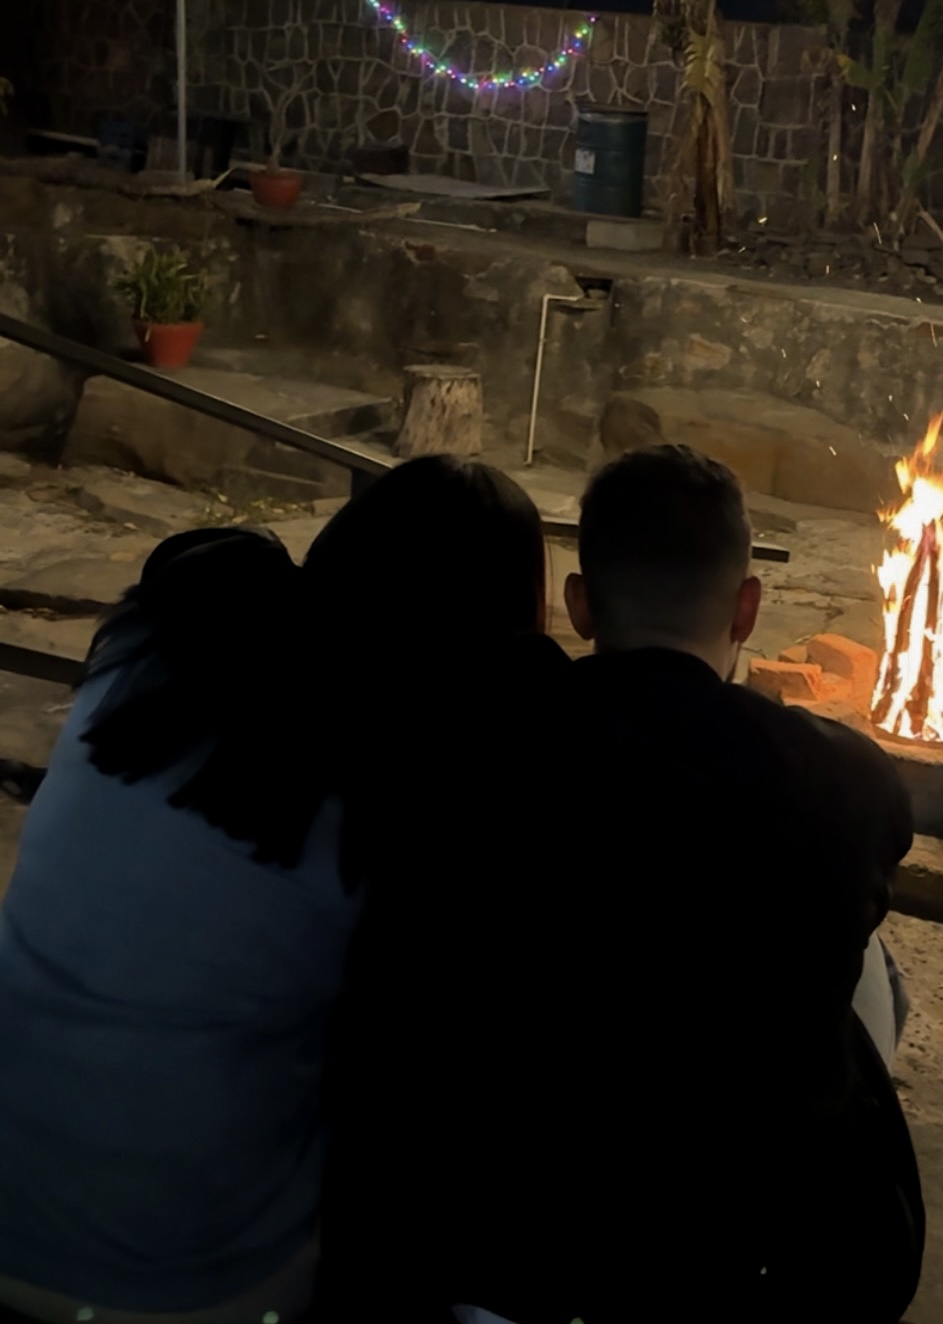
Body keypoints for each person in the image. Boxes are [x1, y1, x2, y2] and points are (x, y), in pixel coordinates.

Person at [0, 455, 553, 1324]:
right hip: (184, 1284)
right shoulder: (391, 795)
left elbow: (196, 560)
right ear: (485, 644)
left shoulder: (151, 647)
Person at [438, 445, 924, 1324]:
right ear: (747, 608)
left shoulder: (480, 748)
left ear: (579, 607)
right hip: (744, 1261)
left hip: (514, 1245)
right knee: (872, 971)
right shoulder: (841, 782)